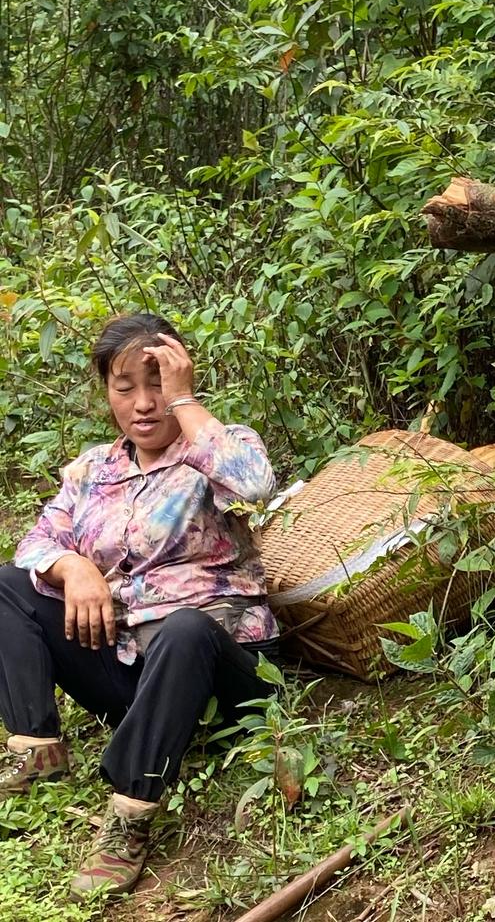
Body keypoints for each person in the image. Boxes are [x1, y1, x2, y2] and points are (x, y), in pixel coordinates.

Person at [0, 313, 280, 901]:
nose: (144, 404)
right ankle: (34, 746)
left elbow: (255, 483)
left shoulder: (217, 446)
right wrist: (74, 568)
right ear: (107, 392)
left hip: (219, 668)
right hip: (129, 665)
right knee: (6, 583)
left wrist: (187, 401)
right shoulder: (92, 469)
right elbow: (35, 543)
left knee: (186, 630)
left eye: (158, 385)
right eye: (126, 387)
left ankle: (129, 814)